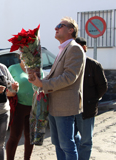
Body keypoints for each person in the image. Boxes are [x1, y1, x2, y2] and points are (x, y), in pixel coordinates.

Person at [29, 16, 86, 160]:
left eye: (60, 25)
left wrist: (43, 84)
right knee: (58, 144)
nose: (56, 28)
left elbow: (69, 77)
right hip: (55, 105)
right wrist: (39, 80)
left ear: (71, 30)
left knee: (67, 144)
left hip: (65, 106)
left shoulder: (74, 48)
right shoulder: (63, 49)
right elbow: (55, 75)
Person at [74, 37, 108, 160]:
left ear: (83, 48)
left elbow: (102, 87)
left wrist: (92, 99)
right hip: (70, 109)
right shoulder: (69, 64)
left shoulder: (94, 65)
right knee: (72, 138)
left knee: (86, 141)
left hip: (87, 110)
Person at [6, 55, 43, 160]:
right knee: (15, 137)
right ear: (20, 56)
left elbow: (42, 86)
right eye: (24, 54)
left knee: (30, 137)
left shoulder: (37, 69)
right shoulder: (13, 68)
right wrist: (11, 89)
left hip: (34, 107)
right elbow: (6, 86)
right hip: (19, 107)